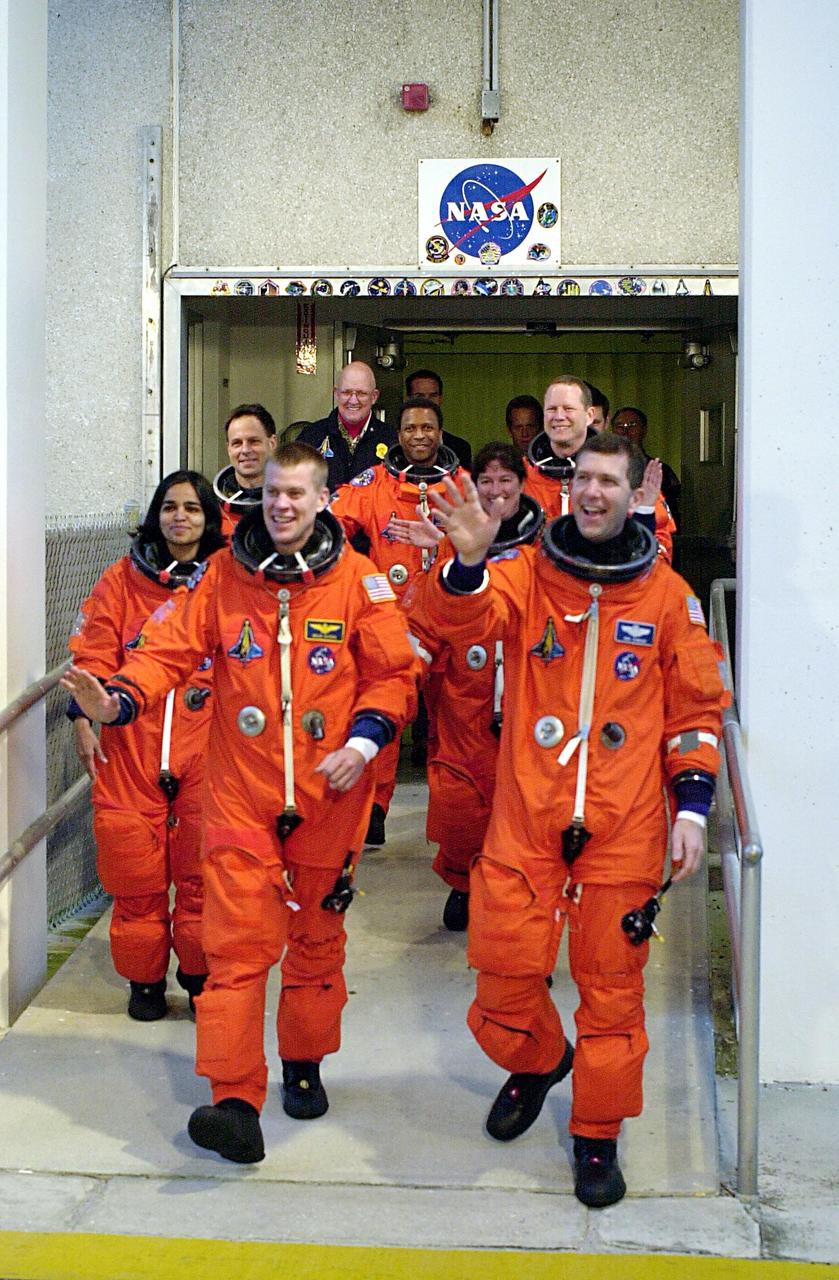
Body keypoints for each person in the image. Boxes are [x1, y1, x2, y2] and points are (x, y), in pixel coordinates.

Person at [62, 442, 418, 1166]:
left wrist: (364, 739)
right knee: (233, 950)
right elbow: (165, 652)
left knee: (315, 945)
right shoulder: (223, 578)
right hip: (240, 797)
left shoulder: (359, 582)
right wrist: (120, 701)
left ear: (323, 501)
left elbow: (393, 675)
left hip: (329, 793)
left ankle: (305, 1062)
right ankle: (234, 1100)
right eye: (273, 494)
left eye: (297, 495)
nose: (282, 506)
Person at [422, 432, 725, 1208]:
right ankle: (537, 1059)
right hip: (527, 820)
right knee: (500, 985)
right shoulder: (525, 573)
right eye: (582, 478)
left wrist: (690, 807)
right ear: (564, 489)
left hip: (622, 830)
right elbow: (462, 624)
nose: (592, 493)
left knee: (613, 995)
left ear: (632, 497)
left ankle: (596, 1135)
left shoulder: (666, 597)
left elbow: (695, 710)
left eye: (607, 482)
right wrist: (463, 562)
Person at [67, 470, 226, 1020]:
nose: (180, 517)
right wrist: (83, 719)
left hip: (206, 747)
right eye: (170, 507)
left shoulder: (228, 582)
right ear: (157, 514)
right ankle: (145, 981)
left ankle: (201, 971)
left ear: (210, 520)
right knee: (134, 874)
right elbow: (93, 656)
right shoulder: (120, 582)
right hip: (131, 745)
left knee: (204, 874)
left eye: (192, 509)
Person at [407, 442, 543, 930]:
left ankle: (515, 893)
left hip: (528, 696)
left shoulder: (545, 551)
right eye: (486, 481)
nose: (496, 490)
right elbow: (429, 616)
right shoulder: (455, 544)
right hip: (467, 692)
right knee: (463, 803)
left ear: (523, 487)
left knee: (525, 806)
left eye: (506, 481)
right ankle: (463, 881)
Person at [329, 396, 467, 847]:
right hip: (395, 624)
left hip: (454, 625)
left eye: (428, 427)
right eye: (410, 428)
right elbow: (331, 525)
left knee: (452, 727)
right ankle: (374, 808)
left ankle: (454, 819)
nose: (419, 435)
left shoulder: (463, 487)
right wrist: (354, 581)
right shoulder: (375, 484)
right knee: (384, 715)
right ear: (398, 435)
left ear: (441, 433)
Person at [525, 375, 675, 562]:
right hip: (538, 586)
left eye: (568, 409)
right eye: (552, 409)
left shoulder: (626, 472)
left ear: (589, 416)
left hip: (606, 587)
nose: (559, 416)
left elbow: (659, 546)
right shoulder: (519, 477)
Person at [297, 361, 397, 491]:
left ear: (374, 397)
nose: (353, 400)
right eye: (346, 392)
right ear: (336, 393)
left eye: (361, 393)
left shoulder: (392, 440)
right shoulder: (310, 437)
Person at [213, 404, 278, 538]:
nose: (245, 450)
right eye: (237, 443)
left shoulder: (298, 507)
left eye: (254, 441)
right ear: (229, 449)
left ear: (272, 443)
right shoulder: (209, 513)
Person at [612, 405, 681, 527]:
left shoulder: (660, 470)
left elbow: (673, 513)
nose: (625, 431)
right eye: (620, 426)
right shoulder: (604, 468)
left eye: (632, 425)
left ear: (644, 429)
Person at [406, 368, 473, 470]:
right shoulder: (393, 446)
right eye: (419, 396)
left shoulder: (460, 448)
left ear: (441, 399)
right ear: (408, 399)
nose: (427, 402)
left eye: (433, 396)